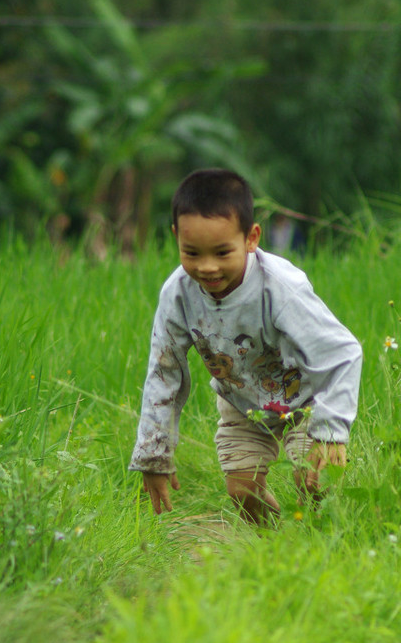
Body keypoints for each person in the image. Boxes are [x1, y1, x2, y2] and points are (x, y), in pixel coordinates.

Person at [129, 168, 363, 523]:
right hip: (242, 403)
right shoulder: (177, 295)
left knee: (314, 482)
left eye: (222, 252)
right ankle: (272, 551)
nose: (207, 268)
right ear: (176, 237)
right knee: (242, 492)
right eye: (192, 253)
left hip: (306, 399)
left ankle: (319, 544)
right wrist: (154, 455)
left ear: (251, 238)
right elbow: (165, 373)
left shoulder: (280, 289)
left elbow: (342, 352)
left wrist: (332, 432)